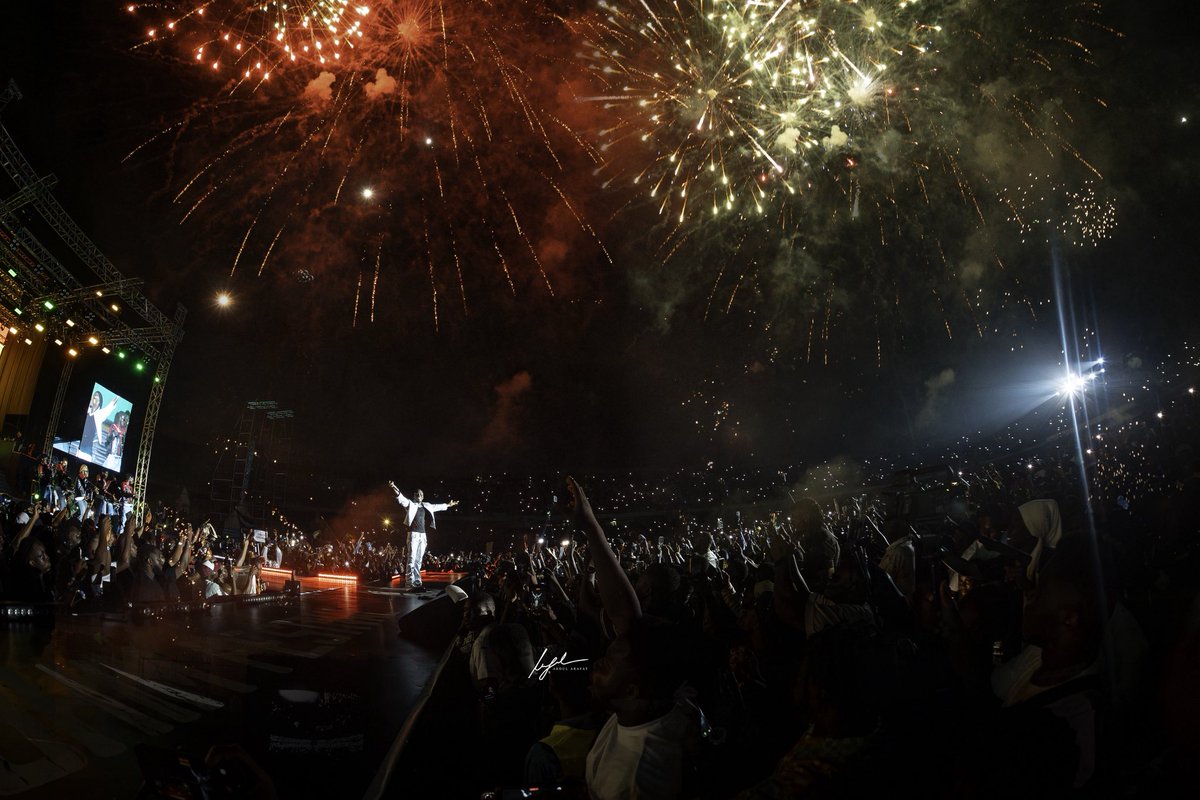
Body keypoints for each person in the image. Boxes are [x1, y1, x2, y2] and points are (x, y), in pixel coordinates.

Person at [387, 481, 458, 592]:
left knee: (419, 560)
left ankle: (417, 582)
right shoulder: (411, 504)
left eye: (421, 494)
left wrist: (448, 505)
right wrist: (393, 487)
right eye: (417, 494)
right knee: (411, 558)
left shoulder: (427, 505)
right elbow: (401, 498)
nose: (419, 496)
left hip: (422, 535)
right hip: (413, 534)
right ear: (414, 496)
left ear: (423, 496)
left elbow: (437, 506)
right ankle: (409, 583)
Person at [80, 390, 118, 459]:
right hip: (79, 447)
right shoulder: (87, 411)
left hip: (87, 451)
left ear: (99, 403)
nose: (95, 400)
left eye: (98, 399)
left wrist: (117, 397)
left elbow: (109, 407)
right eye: (94, 397)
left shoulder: (99, 415)